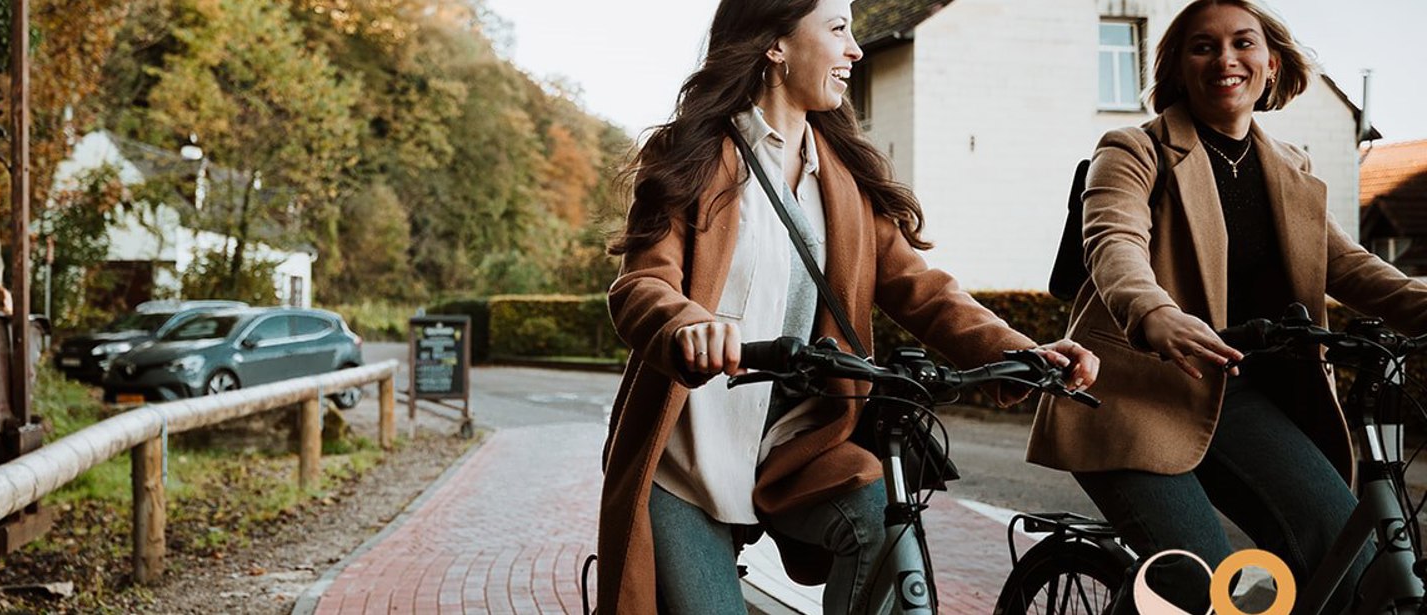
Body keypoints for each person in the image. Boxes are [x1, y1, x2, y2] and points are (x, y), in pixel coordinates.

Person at [599, 0, 1100, 612]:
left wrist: (1021, 351)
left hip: (795, 451)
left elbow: (922, 288)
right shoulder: (693, 154)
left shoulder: (845, 180)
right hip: (688, 461)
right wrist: (686, 324)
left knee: (881, 518)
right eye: (838, 29)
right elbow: (641, 284)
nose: (856, 50)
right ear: (775, 44)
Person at [1026, 1, 1427, 613]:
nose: (1225, 59)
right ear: (1179, 68)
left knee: (1347, 551)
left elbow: (1351, 269)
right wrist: (1152, 312)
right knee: (1202, 586)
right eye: (1203, 47)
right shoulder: (1134, 150)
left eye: (1243, 43)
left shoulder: (1289, 168)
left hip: (1237, 396)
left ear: (1271, 64)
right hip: (1132, 396)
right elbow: (1113, 241)